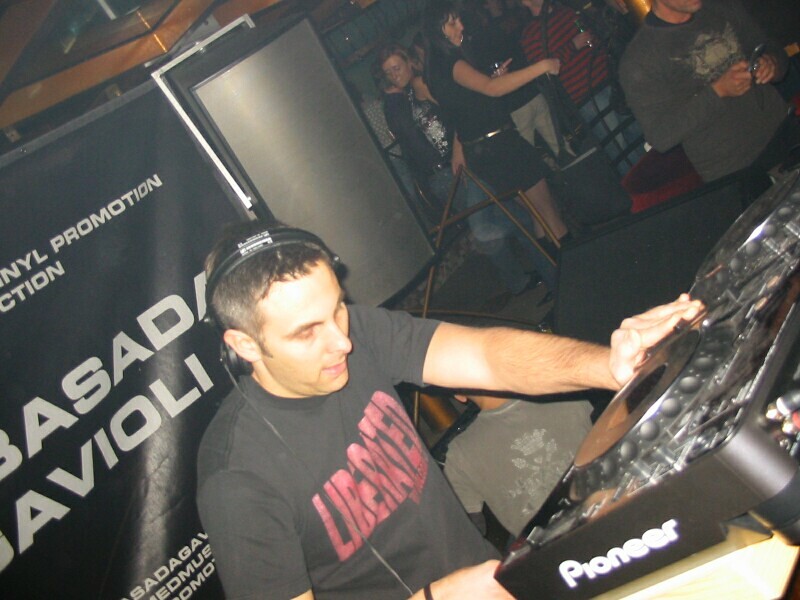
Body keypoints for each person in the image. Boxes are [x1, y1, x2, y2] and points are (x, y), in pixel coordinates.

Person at [196, 219, 703, 599]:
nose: (342, 342)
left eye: (338, 309)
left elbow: (486, 356)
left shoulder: (357, 332)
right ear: (244, 345)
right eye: (307, 332)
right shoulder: (236, 478)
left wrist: (610, 366)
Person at [376, 42, 556, 292]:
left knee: (484, 228)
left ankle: (546, 267)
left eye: (397, 68)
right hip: (455, 172)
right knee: (511, 219)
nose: (395, 75)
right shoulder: (407, 95)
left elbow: (459, 112)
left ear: (409, 63)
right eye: (389, 72)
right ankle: (550, 272)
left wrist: (458, 149)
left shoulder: (423, 83)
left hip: (466, 165)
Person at [422, 0, 570, 245]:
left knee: (539, 217)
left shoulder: (434, 68)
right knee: (549, 214)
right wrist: (542, 66)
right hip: (500, 147)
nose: (461, 26)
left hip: (485, 153)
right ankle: (578, 263)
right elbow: (492, 89)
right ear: (438, 29)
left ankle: (557, 264)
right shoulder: (451, 62)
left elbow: (464, 108)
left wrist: (494, 79)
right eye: (452, 23)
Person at [618, 0, 800, 184]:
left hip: (785, 130)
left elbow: (769, 48)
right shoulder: (639, 60)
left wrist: (772, 64)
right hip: (741, 167)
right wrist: (718, 91)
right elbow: (661, 136)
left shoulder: (721, 7)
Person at [443, 393, 593, 538]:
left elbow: (467, 533)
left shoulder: (459, 454)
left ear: (459, 396)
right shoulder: (562, 393)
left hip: (557, 548)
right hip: (604, 517)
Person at [518, 0, 643, 172]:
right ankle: (639, 185)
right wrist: (573, 46)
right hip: (586, 96)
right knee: (618, 147)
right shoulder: (530, 34)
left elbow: (593, 38)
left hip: (609, 82)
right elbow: (543, 72)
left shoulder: (566, 12)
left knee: (637, 132)